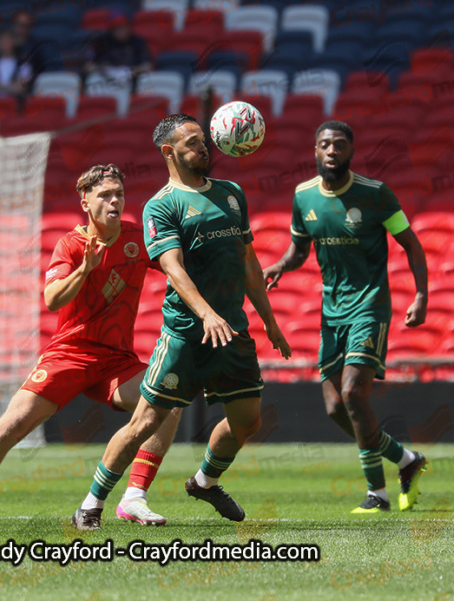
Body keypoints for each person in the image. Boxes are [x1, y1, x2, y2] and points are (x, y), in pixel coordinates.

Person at [0, 164, 183, 528]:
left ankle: (134, 497)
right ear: (85, 202)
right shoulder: (70, 245)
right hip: (69, 355)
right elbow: (53, 299)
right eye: (105, 195)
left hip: (116, 361)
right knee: (11, 426)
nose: (114, 201)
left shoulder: (138, 238)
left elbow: (176, 266)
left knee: (168, 402)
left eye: (119, 194)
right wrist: (85, 269)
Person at [70, 114, 291, 529]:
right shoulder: (161, 205)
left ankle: (205, 482)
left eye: (204, 140)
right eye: (192, 142)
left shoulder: (231, 193)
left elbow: (248, 261)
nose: (204, 147)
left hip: (231, 331)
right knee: (145, 422)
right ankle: (91, 504)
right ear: (169, 152)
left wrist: (270, 321)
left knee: (248, 421)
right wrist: (206, 313)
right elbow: (172, 267)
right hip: (186, 335)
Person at [263, 120, 430, 513]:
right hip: (331, 310)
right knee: (336, 407)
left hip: (370, 305)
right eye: (325, 144)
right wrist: (282, 265)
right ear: (315, 151)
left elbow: (411, 243)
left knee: (354, 393)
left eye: (339, 144)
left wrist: (421, 294)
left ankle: (377, 494)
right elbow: (299, 250)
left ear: (351, 150)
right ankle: (406, 459)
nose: (332, 150)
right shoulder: (304, 196)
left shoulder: (375, 194)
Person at [84, 11, 152, 93]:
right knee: (93, 79)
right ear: (111, 30)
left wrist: (131, 71)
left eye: (124, 27)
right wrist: (103, 68)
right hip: (105, 77)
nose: (121, 31)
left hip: (132, 79)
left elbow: (147, 67)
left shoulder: (137, 42)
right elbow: (88, 66)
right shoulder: (101, 42)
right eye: (117, 28)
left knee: (147, 80)